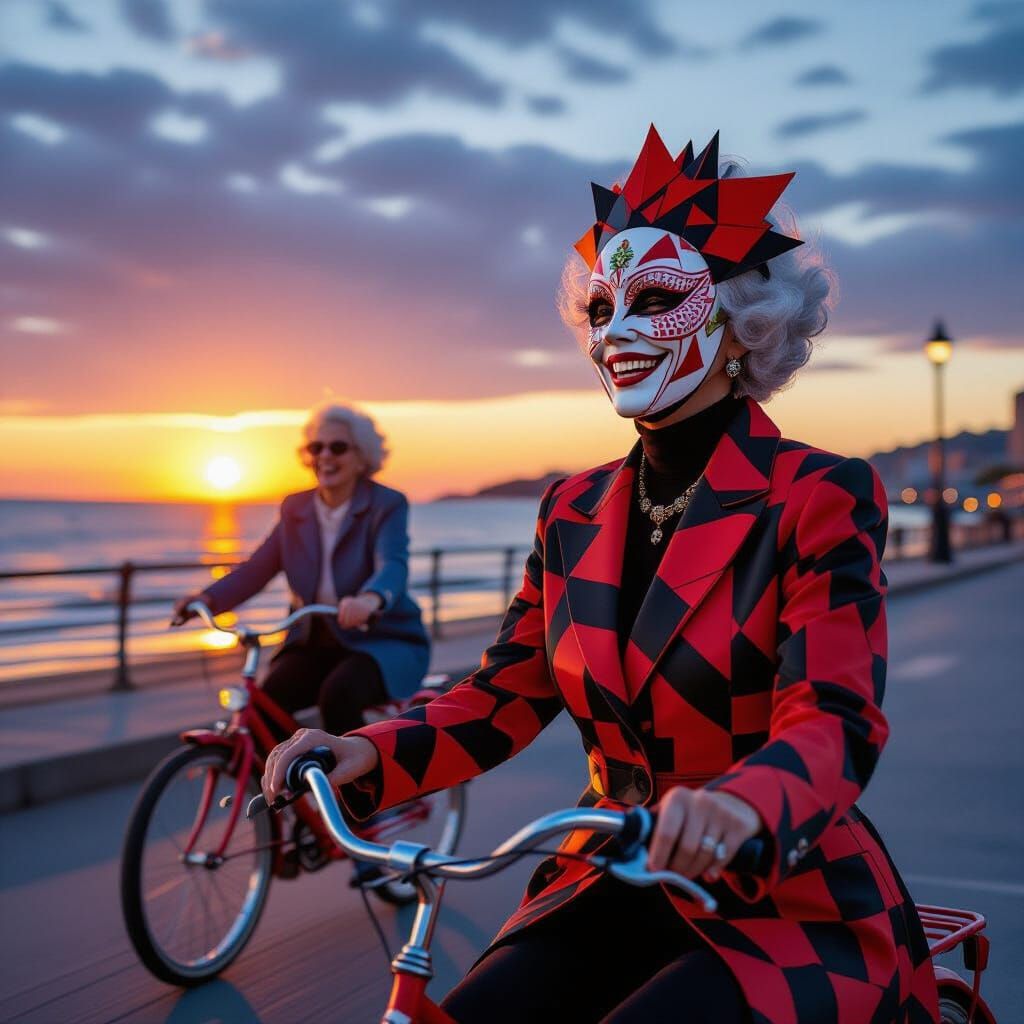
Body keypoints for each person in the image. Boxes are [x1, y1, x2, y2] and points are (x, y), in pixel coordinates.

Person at [262, 128, 940, 1023]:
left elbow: (834, 720)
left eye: (654, 298)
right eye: (600, 307)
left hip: (781, 894)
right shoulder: (569, 510)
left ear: (743, 323)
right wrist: (369, 753)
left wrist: (738, 807)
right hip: (608, 872)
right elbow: (504, 695)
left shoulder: (817, 494)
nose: (615, 331)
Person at [174, 401, 430, 735]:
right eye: (316, 447)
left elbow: (392, 563)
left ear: (362, 456)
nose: (325, 456)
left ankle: (354, 787)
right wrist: (208, 599)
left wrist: (370, 599)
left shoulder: (386, 504)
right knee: (264, 707)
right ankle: (294, 785)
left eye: (337, 447)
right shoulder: (296, 508)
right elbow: (258, 568)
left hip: (379, 642)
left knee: (337, 696)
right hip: (313, 642)